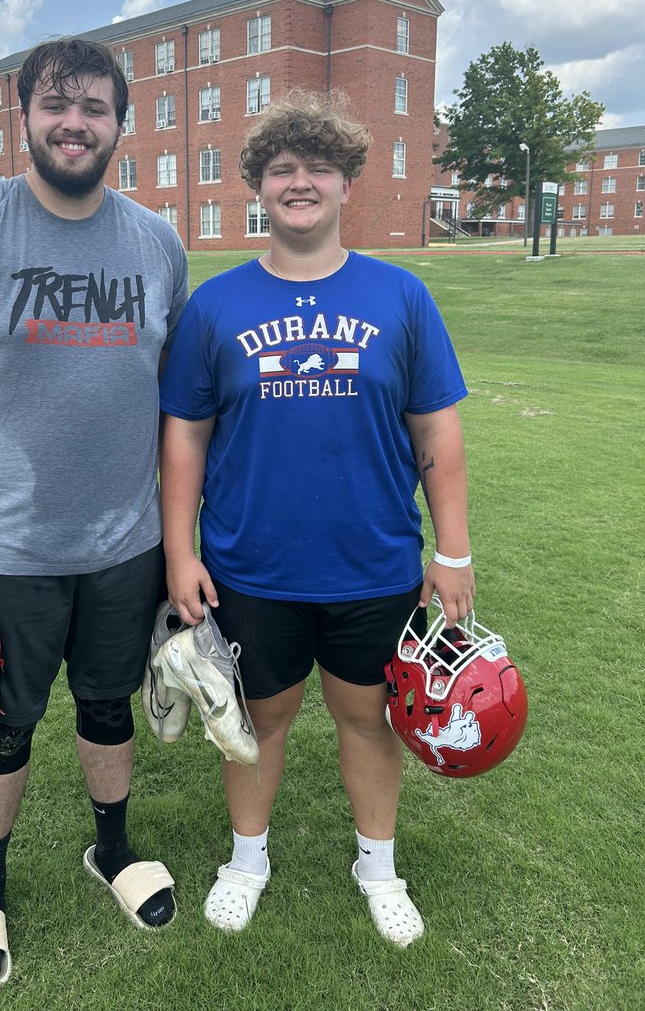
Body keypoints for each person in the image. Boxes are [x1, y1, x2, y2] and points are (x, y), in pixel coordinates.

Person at [0, 37, 188, 988]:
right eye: (57, 105)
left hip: (124, 539)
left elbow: (181, 406)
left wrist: (184, 540)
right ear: (23, 116)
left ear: (120, 125)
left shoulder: (158, 242)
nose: (75, 123)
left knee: (106, 705)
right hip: (4, 542)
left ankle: (113, 848)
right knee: (4, 720)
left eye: (95, 108)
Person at [158, 90, 473, 946]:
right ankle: (246, 859)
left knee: (370, 721)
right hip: (249, 565)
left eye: (318, 168)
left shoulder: (400, 296)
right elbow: (184, 437)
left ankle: (378, 865)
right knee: (256, 722)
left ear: (346, 183)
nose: (300, 183)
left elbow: (436, 427)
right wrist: (179, 551)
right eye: (283, 169)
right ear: (258, 185)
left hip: (370, 563)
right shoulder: (216, 307)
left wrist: (453, 550)